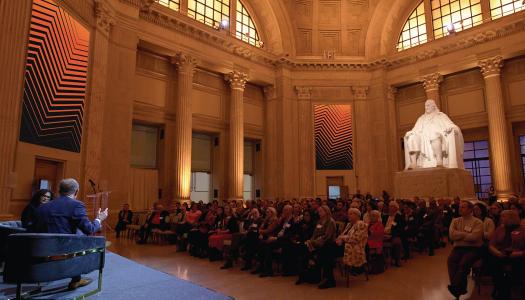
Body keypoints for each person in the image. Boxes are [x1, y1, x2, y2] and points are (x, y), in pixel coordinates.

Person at [35, 178, 108, 290]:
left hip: (41, 252)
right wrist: (99, 219)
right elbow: (89, 229)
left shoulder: (42, 207)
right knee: (85, 242)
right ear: (76, 191)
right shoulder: (76, 205)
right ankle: (76, 280)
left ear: (59, 191)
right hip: (66, 252)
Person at [404, 99, 464, 169]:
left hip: (437, 136)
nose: (426, 107)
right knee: (412, 137)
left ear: (433, 106)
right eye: (425, 106)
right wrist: (411, 132)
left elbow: (452, 126)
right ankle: (413, 163)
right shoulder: (421, 118)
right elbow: (415, 129)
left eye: (428, 105)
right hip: (423, 138)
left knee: (434, 134)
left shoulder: (440, 115)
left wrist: (451, 128)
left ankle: (439, 160)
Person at [447, 200, 483, 298]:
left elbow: (474, 238)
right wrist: (466, 235)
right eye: (460, 207)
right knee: (451, 261)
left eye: (463, 207)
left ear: (470, 209)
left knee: (463, 263)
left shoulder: (477, 222)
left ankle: (455, 288)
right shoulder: (455, 220)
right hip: (458, 248)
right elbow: (451, 235)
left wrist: (459, 235)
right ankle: (459, 288)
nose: (460, 208)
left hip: (474, 248)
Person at [488, 210, 525, 300]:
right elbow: (491, 245)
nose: (501, 218)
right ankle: (503, 291)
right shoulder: (500, 229)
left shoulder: (522, 230)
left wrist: (518, 253)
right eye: (501, 216)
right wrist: (497, 252)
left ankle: (507, 291)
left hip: (517, 255)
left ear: (511, 218)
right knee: (493, 264)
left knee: (515, 268)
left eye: (503, 217)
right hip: (501, 254)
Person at [297, 205, 336, 289]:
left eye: (321, 211)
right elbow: (314, 234)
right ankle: (304, 274)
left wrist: (313, 242)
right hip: (317, 243)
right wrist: (310, 241)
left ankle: (322, 277)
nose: (319, 213)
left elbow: (327, 236)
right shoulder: (319, 221)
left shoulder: (330, 221)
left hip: (327, 244)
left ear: (326, 212)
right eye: (318, 211)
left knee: (316, 252)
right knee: (302, 248)